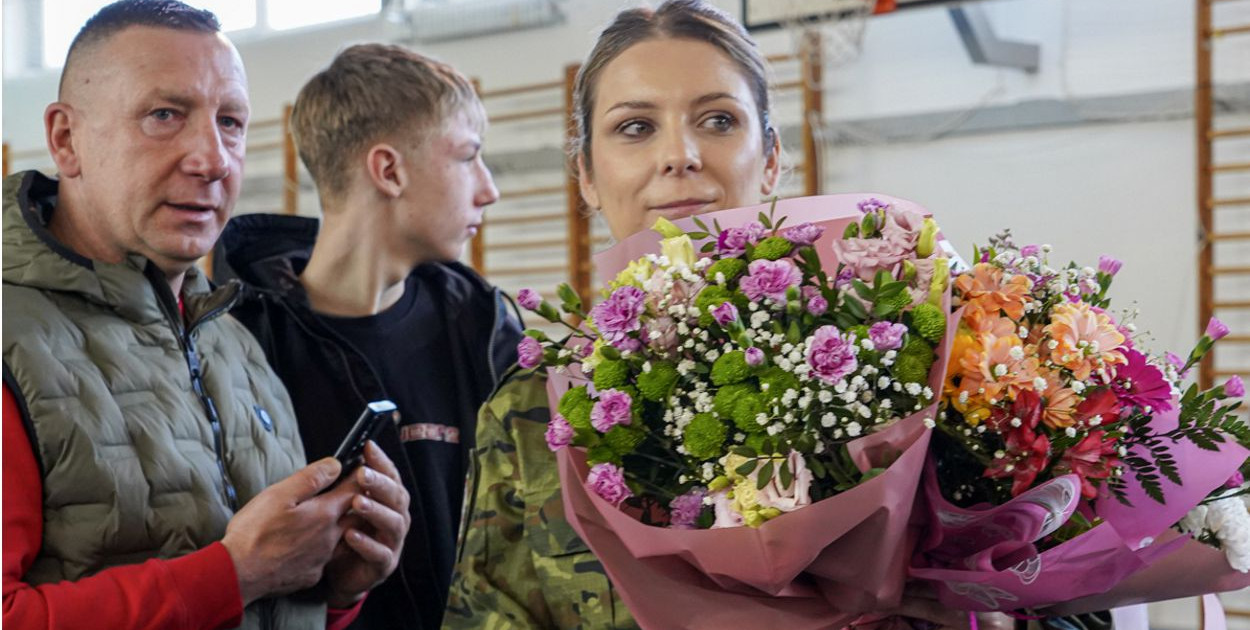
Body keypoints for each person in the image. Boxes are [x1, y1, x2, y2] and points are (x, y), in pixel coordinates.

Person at [444, 2, 1023, 629]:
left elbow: (1080, 591)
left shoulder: (922, 361)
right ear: (585, 173)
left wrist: (999, 618)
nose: (680, 155)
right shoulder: (532, 417)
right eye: (635, 127)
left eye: (718, 120)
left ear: (771, 158)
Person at [1, 2, 410, 629]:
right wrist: (234, 574)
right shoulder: (12, 339)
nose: (213, 158)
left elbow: (263, 596)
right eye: (164, 115)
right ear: (66, 139)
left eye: (231, 122)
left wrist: (333, 588)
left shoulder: (234, 340)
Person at [220, 43, 522, 630]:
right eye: (467, 158)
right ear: (388, 170)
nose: (488, 189)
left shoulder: (484, 325)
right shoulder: (240, 342)